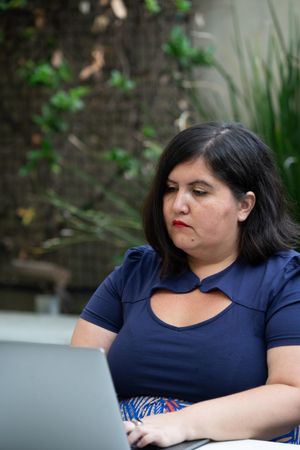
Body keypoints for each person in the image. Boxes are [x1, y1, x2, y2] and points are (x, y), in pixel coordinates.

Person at [71, 122, 300, 448]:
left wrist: (180, 424)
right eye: (170, 188)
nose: (178, 204)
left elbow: (293, 394)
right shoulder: (136, 271)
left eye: (199, 191)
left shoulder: (286, 280)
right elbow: (75, 381)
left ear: (245, 205)